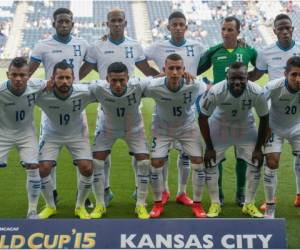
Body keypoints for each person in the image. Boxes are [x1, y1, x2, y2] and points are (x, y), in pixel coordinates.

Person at [79, 8, 159, 207]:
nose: (116, 24)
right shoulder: (96, 46)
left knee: (139, 155)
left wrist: (167, 77)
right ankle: (105, 190)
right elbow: (83, 72)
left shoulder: (134, 45)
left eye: (120, 20)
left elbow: (147, 70)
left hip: (132, 105)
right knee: (102, 154)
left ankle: (138, 190)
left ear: (125, 23)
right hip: (107, 106)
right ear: (107, 23)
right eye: (112, 20)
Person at [29, 8, 90, 207]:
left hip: (75, 103)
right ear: (54, 23)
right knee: (47, 157)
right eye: (60, 21)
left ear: (73, 24)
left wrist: (76, 82)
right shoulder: (42, 45)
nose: (64, 24)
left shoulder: (82, 44)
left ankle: (84, 198)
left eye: (67, 21)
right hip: (52, 104)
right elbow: (28, 73)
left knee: (82, 157)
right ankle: (51, 194)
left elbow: (92, 64)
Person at [144, 11, 204, 206]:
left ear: (186, 27)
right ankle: (164, 192)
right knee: (162, 154)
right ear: (168, 27)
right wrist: (157, 75)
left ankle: (181, 191)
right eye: (174, 24)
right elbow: (137, 58)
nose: (178, 28)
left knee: (186, 154)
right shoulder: (157, 46)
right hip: (165, 101)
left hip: (188, 100)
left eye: (181, 24)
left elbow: (210, 59)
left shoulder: (198, 46)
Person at [197, 16, 258, 207]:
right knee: (217, 154)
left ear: (238, 32)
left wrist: (249, 82)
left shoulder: (248, 50)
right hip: (218, 109)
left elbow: (262, 68)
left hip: (242, 109)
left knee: (242, 155)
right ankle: (220, 194)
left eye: (230, 30)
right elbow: (195, 70)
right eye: (223, 29)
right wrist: (206, 85)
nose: (226, 33)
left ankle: (241, 193)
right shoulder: (214, 51)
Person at [198, 62, 269, 218]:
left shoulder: (256, 91)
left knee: (256, 162)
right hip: (220, 127)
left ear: (247, 77)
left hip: (245, 128)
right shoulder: (216, 91)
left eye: (241, 78)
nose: (237, 82)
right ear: (227, 77)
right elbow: (203, 118)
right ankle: (215, 203)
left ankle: (248, 203)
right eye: (233, 78)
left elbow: (265, 118)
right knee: (210, 163)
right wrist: (209, 147)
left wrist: (258, 148)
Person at [144, 53, 207, 218]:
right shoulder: (153, 85)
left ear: (184, 70)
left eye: (178, 68)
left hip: (186, 126)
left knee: (198, 162)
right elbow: (135, 87)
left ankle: (196, 203)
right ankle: (158, 203)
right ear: (164, 70)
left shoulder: (194, 84)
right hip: (162, 127)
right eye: (170, 68)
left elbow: (211, 89)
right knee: (156, 162)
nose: (174, 72)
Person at [248, 13, 300, 209]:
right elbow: (256, 75)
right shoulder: (265, 52)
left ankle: (299, 194)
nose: (285, 31)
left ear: (292, 29)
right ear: (275, 30)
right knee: (272, 160)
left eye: (288, 28)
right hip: (275, 113)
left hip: (297, 115)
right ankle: (270, 200)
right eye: (281, 28)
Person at [88, 62, 151, 219]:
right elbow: (75, 88)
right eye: (113, 80)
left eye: (122, 80)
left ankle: (141, 204)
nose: (117, 84)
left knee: (144, 163)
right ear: (106, 78)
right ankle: (100, 203)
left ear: (128, 78)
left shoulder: (138, 84)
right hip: (107, 129)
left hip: (133, 129)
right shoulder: (98, 87)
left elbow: (159, 80)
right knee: (96, 163)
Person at [37, 61, 95, 219]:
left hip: (77, 134)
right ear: (52, 78)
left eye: (68, 78)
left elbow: (104, 87)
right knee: (43, 169)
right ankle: (50, 206)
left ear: (74, 78)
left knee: (87, 168)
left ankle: (80, 206)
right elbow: (23, 87)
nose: (64, 81)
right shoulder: (42, 93)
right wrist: (43, 85)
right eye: (60, 77)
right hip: (51, 134)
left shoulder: (84, 92)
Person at [0, 57, 46, 219]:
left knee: (34, 167)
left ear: (29, 75)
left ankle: (32, 210)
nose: (18, 79)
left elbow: (53, 83)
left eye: (22, 75)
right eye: (14, 75)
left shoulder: (37, 86)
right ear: (8, 74)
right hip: (3, 133)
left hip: (26, 133)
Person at [263, 56, 300, 218]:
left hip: (297, 127)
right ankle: (270, 205)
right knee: (272, 162)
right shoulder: (273, 86)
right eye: (294, 74)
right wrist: (265, 127)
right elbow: (258, 104)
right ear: (285, 74)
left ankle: (299, 195)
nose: (298, 79)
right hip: (275, 127)